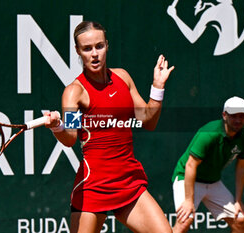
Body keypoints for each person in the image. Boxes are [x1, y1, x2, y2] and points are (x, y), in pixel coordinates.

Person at [44, 21, 174, 233]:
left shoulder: (123, 77)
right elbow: (70, 138)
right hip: (94, 187)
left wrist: (157, 88)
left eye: (99, 46)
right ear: (78, 51)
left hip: (128, 181)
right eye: (87, 49)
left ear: (107, 46)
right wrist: (57, 126)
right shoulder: (74, 93)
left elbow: (148, 121)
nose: (94, 54)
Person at [171, 96, 244, 233]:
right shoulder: (209, 133)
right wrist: (189, 201)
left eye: (242, 116)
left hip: (213, 182)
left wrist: (238, 201)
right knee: (184, 221)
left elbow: (242, 167)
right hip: (187, 178)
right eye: (234, 116)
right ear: (224, 115)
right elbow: (191, 165)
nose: (238, 120)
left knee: (241, 221)